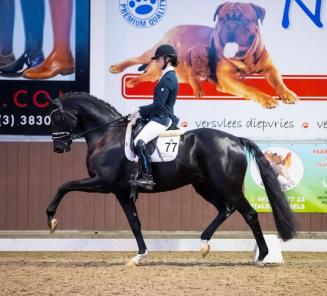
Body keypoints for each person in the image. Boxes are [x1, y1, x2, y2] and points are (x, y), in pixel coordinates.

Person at [130, 44, 179, 190]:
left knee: (139, 141)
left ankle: (147, 177)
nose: (157, 62)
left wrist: (139, 109)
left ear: (168, 59)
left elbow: (158, 105)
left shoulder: (168, 79)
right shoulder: (166, 77)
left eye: (159, 59)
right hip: (159, 116)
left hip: (162, 118)